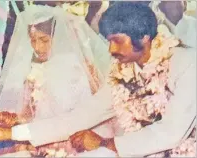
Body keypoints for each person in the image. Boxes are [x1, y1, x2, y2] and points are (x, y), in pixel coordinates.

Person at [0, 5, 113, 157]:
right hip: (41, 142)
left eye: (44, 40)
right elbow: (26, 117)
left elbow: (90, 116)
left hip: (78, 144)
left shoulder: (84, 70)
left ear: (60, 36)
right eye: (33, 40)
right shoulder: (34, 72)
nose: (38, 47)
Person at [69, 2, 196, 157]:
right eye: (109, 41)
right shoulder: (123, 70)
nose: (111, 49)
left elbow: (172, 132)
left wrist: (105, 143)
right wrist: (29, 133)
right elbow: (89, 112)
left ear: (143, 37)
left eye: (117, 41)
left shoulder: (187, 62)